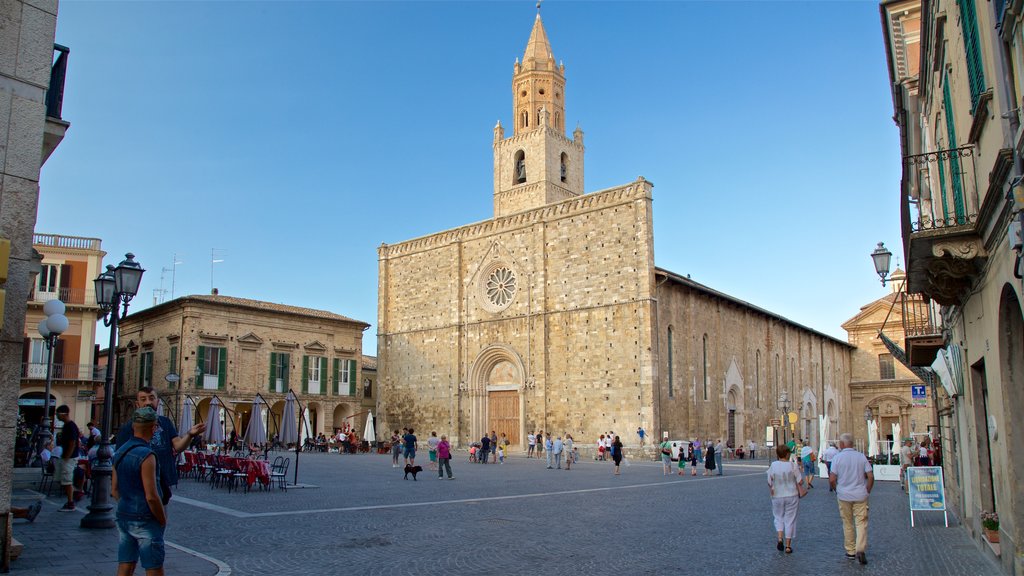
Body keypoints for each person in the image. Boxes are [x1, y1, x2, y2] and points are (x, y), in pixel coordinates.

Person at [116, 387, 206, 505]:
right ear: (137, 404)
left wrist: (190, 435)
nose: (148, 402)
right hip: (138, 482)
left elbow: (178, 446)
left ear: (157, 402)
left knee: (160, 512)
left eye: (151, 398)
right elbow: (119, 459)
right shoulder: (128, 428)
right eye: (143, 399)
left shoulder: (165, 422)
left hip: (162, 479)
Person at [112, 407, 167, 576]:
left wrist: (126, 506)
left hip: (124, 515)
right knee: (153, 566)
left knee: (126, 563)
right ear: (153, 428)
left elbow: (114, 489)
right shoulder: (147, 455)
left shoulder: (119, 451)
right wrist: (161, 518)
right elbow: (151, 495)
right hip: (145, 519)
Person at [828, 433, 874, 565]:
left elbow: (832, 478)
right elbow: (870, 476)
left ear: (842, 444)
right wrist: (868, 490)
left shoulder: (837, 458)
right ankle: (860, 548)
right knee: (861, 522)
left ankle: (850, 551)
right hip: (860, 494)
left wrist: (836, 489)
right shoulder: (861, 457)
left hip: (844, 495)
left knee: (847, 523)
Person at [767, 444, 802, 554]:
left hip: (777, 495)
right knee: (790, 519)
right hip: (792, 495)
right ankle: (788, 546)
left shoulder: (773, 465)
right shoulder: (792, 465)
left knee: (778, 517)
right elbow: (800, 481)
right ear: (787, 454)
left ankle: (780, 538)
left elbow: (769, 481)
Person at [55, 405, 80, 512]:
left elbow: (72, 442)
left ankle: (71, 503)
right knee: (64, 480)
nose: (56, 416)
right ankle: (71, 499)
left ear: (63, 414)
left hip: (69, 458)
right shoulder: (67, 425)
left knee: (67, 480)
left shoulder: (70, 426)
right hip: (66, 457)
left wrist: (67, 456)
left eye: (57, 414)